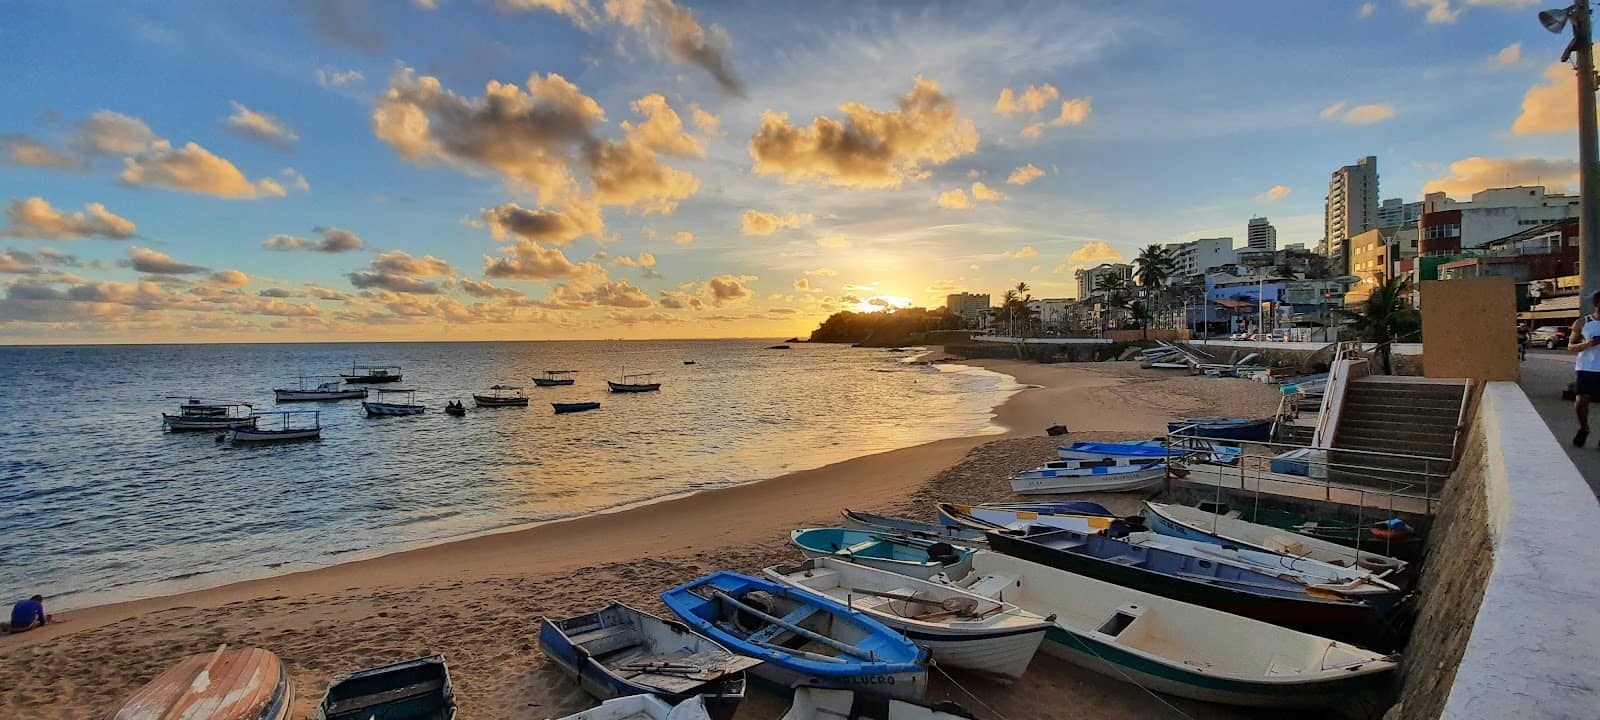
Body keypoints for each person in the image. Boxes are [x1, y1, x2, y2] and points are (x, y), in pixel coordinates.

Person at [1569, 292, 1600, 446]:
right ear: (1597, 304)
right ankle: (1584, 428)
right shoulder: (1583, 322)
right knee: (1581, 402)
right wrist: (1589, 344)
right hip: (1586, 368)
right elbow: (1570, 346)